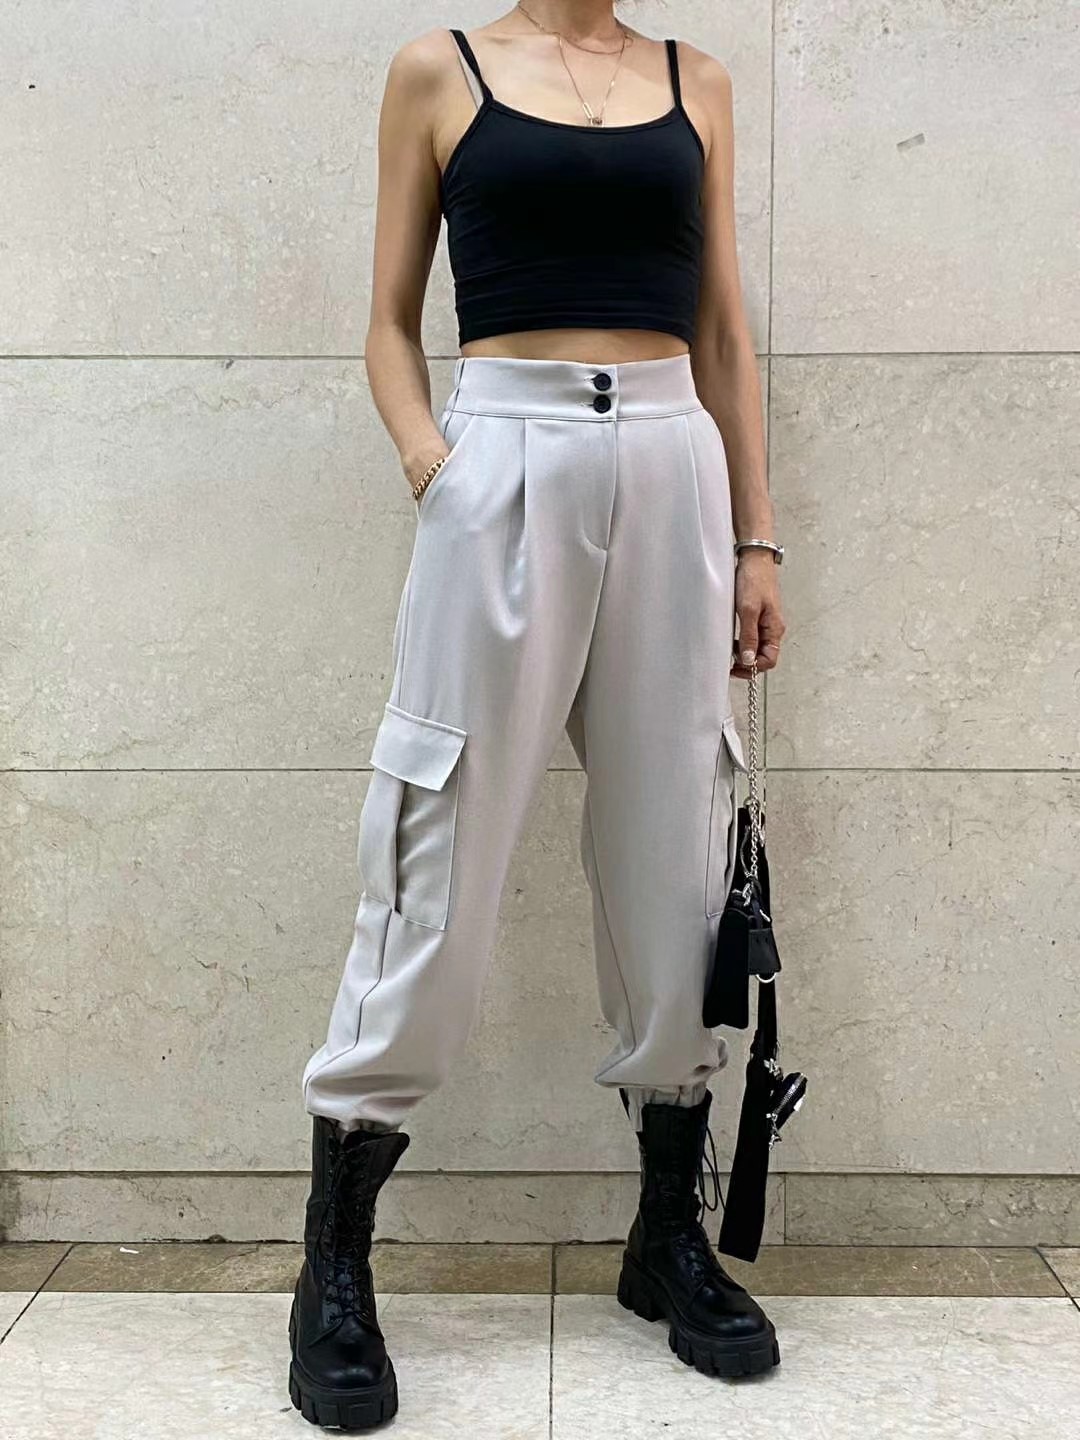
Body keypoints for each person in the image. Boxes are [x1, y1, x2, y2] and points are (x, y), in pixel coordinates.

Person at [288, 2, 786, 1428]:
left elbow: (722, 327)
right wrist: (435, 468)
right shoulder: (438, 70)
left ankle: (664, 1236)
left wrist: (757, 538)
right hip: (501, 454)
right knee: (438, 836)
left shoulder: (697, 79)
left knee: (674, 847)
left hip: (675, 458)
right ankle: (335, 1261)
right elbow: (387, 321)